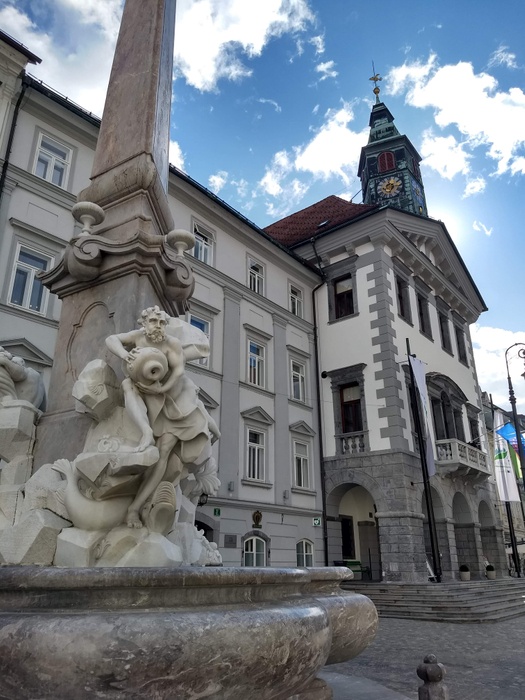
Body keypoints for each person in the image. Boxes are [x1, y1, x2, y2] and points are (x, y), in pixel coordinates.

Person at [105, 306, 219, 528]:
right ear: (144, 323)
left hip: (175, 400)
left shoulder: (171, 343)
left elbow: (178, 372)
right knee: (127, 385)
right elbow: (111, 339)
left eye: (161, 322)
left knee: (163, 454)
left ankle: (135, 508)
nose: (157, 326)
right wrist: (125, 354)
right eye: (153, 321)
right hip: (150, 394)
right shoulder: (138, 337)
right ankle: (146, 432)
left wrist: (161, 388)